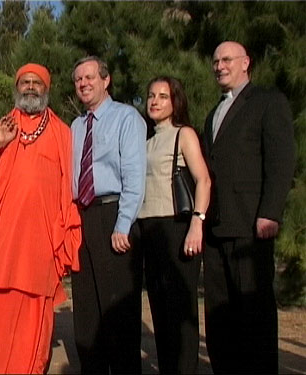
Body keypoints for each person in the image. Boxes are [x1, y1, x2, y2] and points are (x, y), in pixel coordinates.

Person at [0, 63, 81, 374]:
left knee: (34, 324)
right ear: (17, 87)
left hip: (40, 244)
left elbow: (70, 190)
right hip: (2, 244)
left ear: (46, 89)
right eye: (24, 82)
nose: (29, 87)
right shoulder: (2, 126)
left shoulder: (63, 133)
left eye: (36, 83)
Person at [203, 41, 295, 374]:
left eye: (227, 59)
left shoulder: (268, 102)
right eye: (215, 61)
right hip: (216, 229)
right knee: (220, 320)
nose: (219, 66)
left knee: (253, 318)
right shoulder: (213, 113)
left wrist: (270, 212)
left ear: (246, 63)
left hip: (250, 227)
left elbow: (281, 160)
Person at [71, 56, 146, 374]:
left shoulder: (127, 118)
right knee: (86, 315)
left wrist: (124, 223)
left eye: (89, 77)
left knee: (118, 314)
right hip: (82, 218)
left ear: (106, 80)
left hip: (114, 215)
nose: (84, 84)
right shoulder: (76, 126)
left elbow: (134, 175)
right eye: (78, 80)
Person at [137, 76, 211, 373]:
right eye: (151, 95)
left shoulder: (184, 134)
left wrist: (197, 222)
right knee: (160, 312)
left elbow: (203, 180)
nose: (155, 101)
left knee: (180, 313)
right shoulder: (147, 139)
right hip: (148, 229)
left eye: (163, 96)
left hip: (177, 227)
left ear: (175, 101)